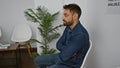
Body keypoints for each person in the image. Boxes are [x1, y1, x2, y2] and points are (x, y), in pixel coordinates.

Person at [34, 3, 90, 68]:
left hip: (71, 64)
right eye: (63, 15)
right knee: (37, 60)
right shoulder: (68, 27)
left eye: (66, 15)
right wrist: (68, 50)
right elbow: (58, 44)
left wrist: (67, 52)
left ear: (75, 16)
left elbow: (64, 57)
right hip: (62, 57)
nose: (63, 18)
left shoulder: (80, 34)